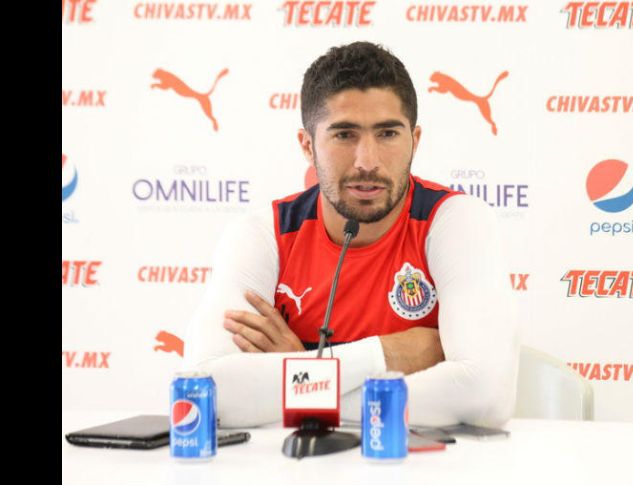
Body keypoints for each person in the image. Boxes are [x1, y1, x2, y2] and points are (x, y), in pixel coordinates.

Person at [183, 41, 519, 428]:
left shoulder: (453, 220)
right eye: (344, 135)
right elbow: (204, 393)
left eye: (388, 134)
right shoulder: (264, 235)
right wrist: (382, 355)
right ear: (307, 146)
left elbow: (484, 398)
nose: (367, 162)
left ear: (415, 140)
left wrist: (300, 375)